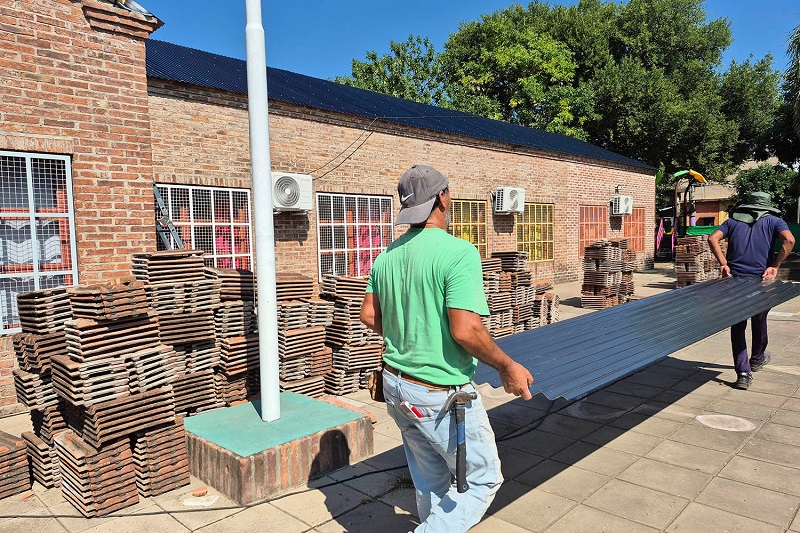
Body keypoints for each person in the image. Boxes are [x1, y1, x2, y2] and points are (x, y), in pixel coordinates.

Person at [360, 165, 533, 532]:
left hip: (394, 384)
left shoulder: (386, 256)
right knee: (483, 479)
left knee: (431, 480)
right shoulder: (458, 253)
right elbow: (467, 330)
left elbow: (368, 314)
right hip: (438, 394)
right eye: (449, 192)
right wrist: (506, 366)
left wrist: (409, 332)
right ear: (441, 197)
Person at [708, 191, 795, 390]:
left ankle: (743, 374)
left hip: (735, 282)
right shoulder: (774, 221)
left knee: (738, 327)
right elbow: (789, 241)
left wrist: (723, 264)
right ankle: (757, 358)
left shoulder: (732, 222)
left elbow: (713, 239)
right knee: (759, 320)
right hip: (760, 282)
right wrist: (775, 265)